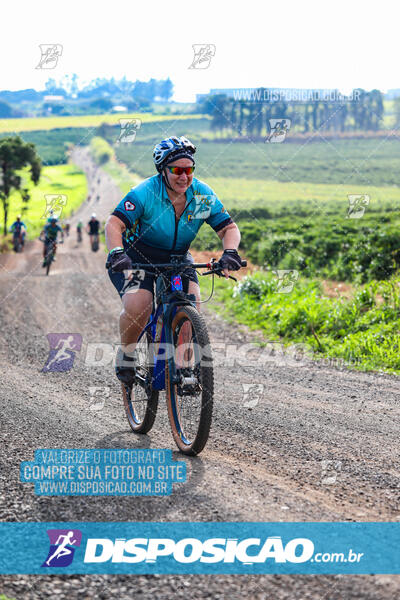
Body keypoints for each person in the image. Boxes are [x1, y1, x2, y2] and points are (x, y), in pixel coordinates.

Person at [105, 135, 242, 386]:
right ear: (163, 170)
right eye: (177, 170)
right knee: (140, 305)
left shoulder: (200, 195)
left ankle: (181, 369)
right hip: (137, 257)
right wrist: (116, 252)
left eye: (189, 170)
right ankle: (127, 355)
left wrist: (230, 252)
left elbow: (228, 229)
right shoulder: (146, 193)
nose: (184, 176)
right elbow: (114, 224)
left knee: (192, 305)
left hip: (177, 258)